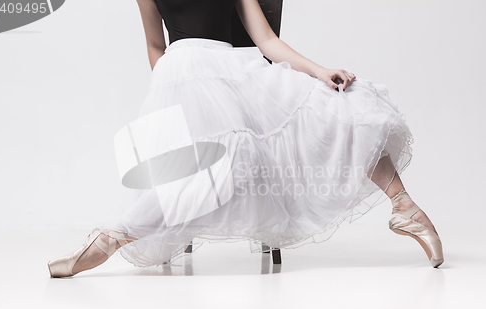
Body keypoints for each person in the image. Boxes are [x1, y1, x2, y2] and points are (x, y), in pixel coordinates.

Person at [47, 0, 444, 278]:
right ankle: (110, 238)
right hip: (180, 74)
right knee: (217, 162)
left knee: (344, 105)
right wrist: (171, 95)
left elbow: (267, 41)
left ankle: (404, 209)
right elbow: (156, 46)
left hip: (233, 68)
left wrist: (320, 71)